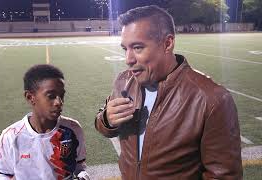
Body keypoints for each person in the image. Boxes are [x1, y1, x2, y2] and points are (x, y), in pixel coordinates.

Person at [95, 5, 242, 180]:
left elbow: (224, 176)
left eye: (137, 47)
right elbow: (103, 125)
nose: (128, 59)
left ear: (167, 43)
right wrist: (107, 120)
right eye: (124, 49)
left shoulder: (211, 99)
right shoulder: (123, 81)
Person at [0, 64, 90, 180]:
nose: (59, 102)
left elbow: (79, 165)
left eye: (61, 95)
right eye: (51, 96)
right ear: (30, 97)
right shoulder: (11, 136)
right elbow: (2, 174)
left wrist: (83, 176)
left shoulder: (73, 128)